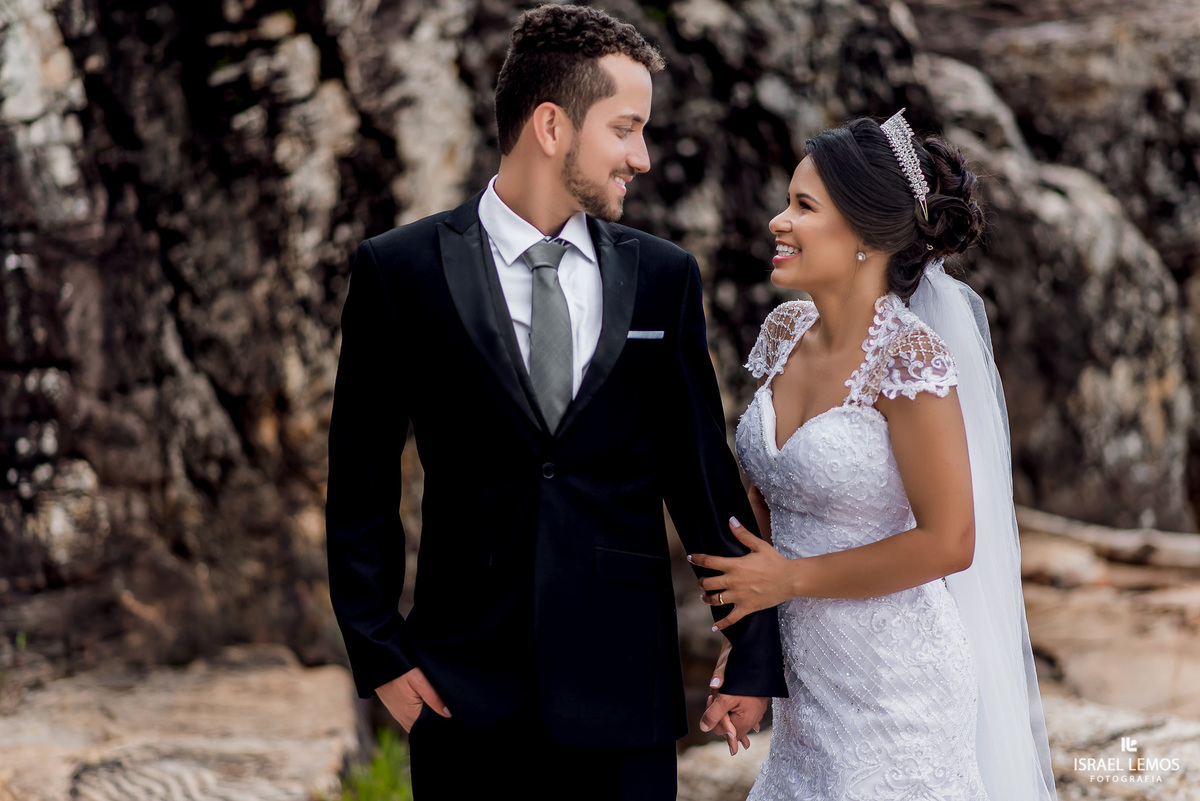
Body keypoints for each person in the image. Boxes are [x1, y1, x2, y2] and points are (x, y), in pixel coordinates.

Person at [324, 6, 787, 799]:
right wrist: (382, 657)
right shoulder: (400, 272)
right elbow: (359, 484)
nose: (641, 157)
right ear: (551, 125)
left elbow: (700, 478)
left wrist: (749, 648)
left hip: (623, 693)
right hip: (461, 693)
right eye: (625, 127)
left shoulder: (662, 276)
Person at [689, 111, 1057, 800]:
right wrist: (747, 659)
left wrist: (790, 580)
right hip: (809, 693)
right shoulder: (783, 332)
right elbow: (767, 509)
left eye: (803, 206)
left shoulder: (909, 357)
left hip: (897, 694)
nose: (778, 220)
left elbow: (950, 541)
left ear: (864, 233)